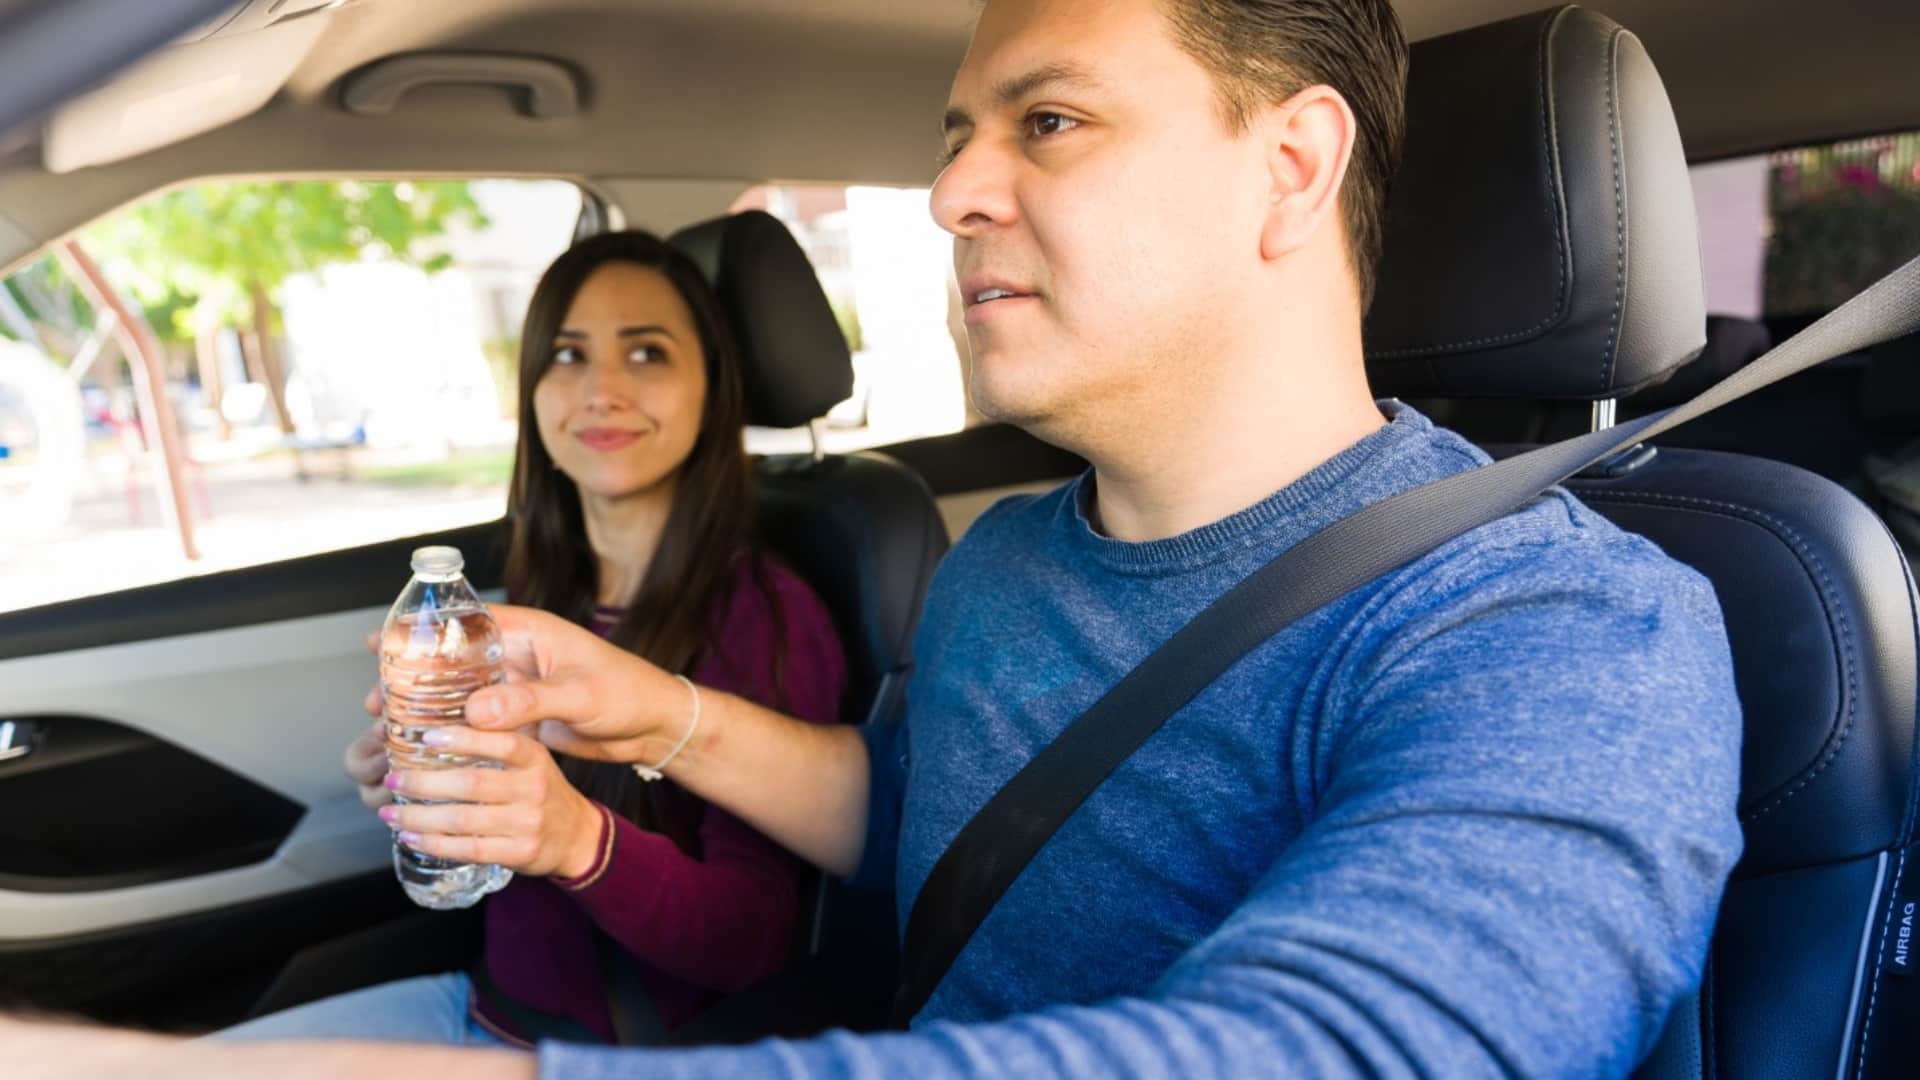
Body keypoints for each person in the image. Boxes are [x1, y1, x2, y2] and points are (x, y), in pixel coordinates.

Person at [7, 0, 1741, 1076]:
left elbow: (1344, 1053)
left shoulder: (1562, 631)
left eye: (1048, 121)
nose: (953, 191)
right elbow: (907, 817)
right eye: (960, 136)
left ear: (1291, 167)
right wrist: (650, 711)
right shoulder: (1008, 567)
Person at [221, 230, 848, 1047]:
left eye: (647, 353)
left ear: (713, 383)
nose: (601, 390)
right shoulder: (540, 598)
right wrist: (430, 793)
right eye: (567, 355)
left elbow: (756, 943)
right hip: (484, 1009)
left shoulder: (765, 615)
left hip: (622, 1054)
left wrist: (575, 840)